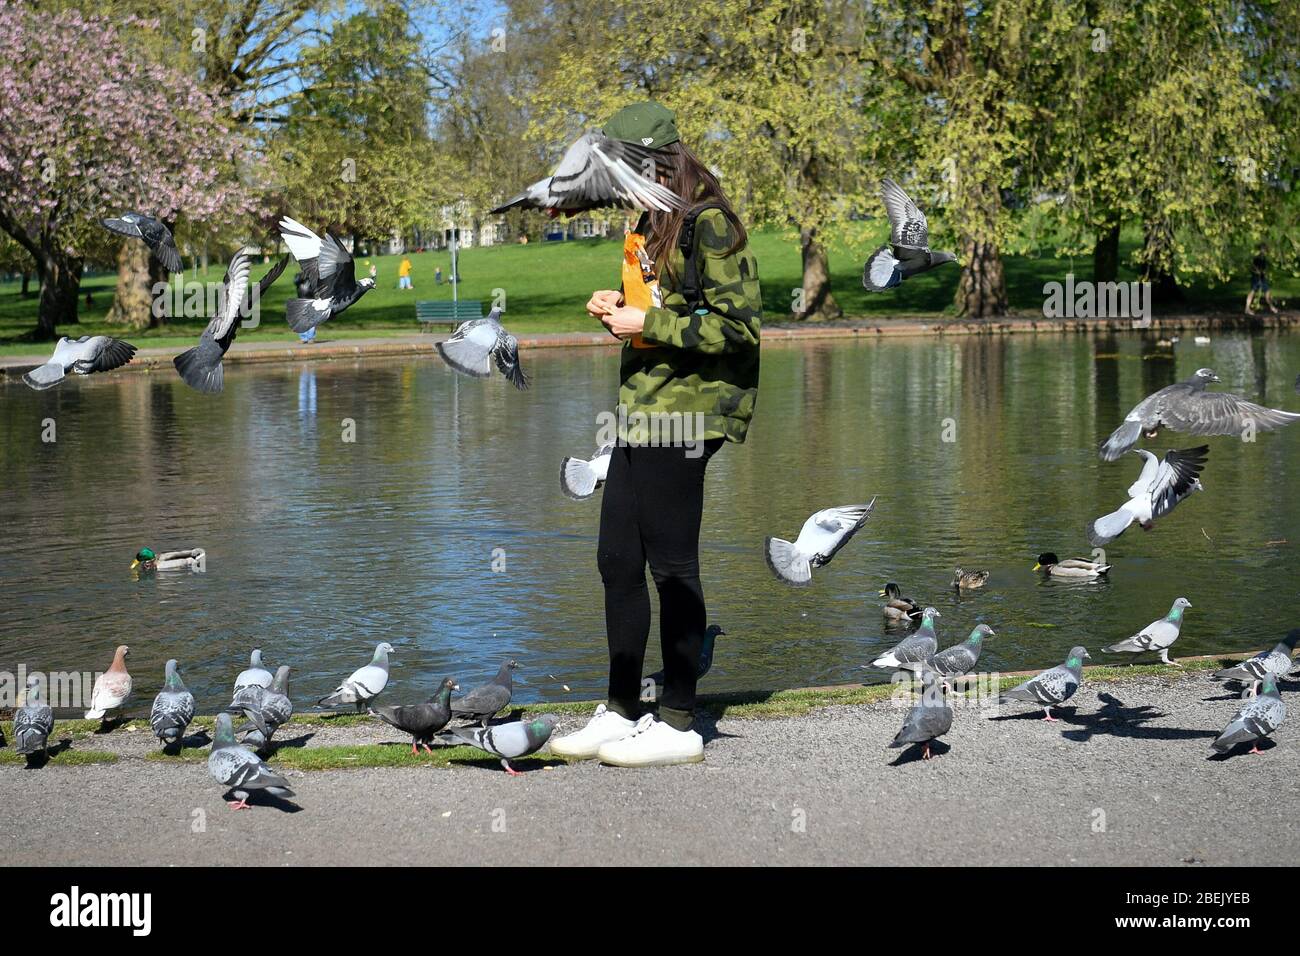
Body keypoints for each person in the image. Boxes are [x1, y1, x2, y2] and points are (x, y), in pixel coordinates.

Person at [549, 101, 761, 768]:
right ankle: (619, 710)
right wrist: (618, 308)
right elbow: (657, 307)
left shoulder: (710, 225)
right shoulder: (650, 222)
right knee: (616, 560)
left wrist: (646, 321)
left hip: (691, 415)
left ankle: (678, 721)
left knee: (672, 568)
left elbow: (738, 329)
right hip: (641, 410)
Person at [1246, 246, 1279, 316]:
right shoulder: (1256, 258)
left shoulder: (1264, 259)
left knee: (1267, 292)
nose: (1264, 251)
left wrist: (1264, 272)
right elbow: (1252, 266)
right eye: (1263, 250)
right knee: (1252, 292)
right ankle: (1247, 308)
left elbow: (1264, 268)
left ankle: (1272, 307)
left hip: (1262, 277)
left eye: (1265, 250)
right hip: (1256, 277)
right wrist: (1257, 271)